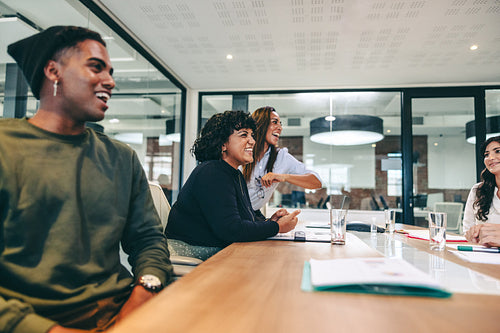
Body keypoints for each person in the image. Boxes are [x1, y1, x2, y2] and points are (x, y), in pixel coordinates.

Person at [0, 26, 173, 333]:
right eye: (96, 67)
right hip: (31, 321)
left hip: (122, 312)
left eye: (111, 71)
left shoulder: (122, 157)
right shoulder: (6, 147)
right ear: (53, 71)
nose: (110, 81)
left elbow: (148, 241)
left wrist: (145, 292)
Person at [165, 110, 300, 260]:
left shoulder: (234, 174)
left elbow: (245, 218)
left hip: (214, 248)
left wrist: (271, 221)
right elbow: (232, 229)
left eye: (252, 135)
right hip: (191, 251)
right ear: (223, 144)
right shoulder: (212, 172)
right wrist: (277, 227)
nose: (252, 141)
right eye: (244, 135)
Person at [243, 106, 323, 216]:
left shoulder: (281, 157)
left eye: (280, 124)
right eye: (274, 122)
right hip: (230, 214)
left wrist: (283, 177)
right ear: (260, 124)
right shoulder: (242, 151)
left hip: (252, 215)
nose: (279, 128)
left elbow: (316, 182)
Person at [463, 136, 500, 247]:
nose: (490, 158)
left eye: (498, 151)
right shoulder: (477, 190)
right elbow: (467, 230)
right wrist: (472, 236)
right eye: (486, 155)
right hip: (483, 257)